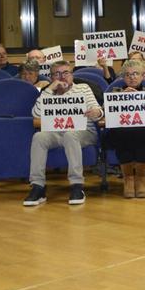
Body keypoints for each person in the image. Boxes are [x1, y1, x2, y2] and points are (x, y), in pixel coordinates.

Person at [24, 61, 103, 207]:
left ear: (72, 75)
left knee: (70, 135)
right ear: (52, 77)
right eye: (57, 74)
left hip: (84, 132)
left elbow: (98, 112)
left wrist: (96, 112)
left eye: (66, 73)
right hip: (56, 133)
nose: (62, 77)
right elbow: (35, 114)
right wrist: (49, 90)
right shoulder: (48, 92)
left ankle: (76, 185)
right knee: (39, 137)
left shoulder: (83, 88)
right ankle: (38, 186)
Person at [103, 60, 145, 199]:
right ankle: (128, 179)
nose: (132, 77)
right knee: (123, 133)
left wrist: (140, 99)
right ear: (123, 77)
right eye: (128, 74)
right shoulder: (115, 90)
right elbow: (105, 110)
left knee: (143, 133)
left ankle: (140, 179)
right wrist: (122, 98)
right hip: (121, 131)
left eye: (136, 74)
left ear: (143, 75)